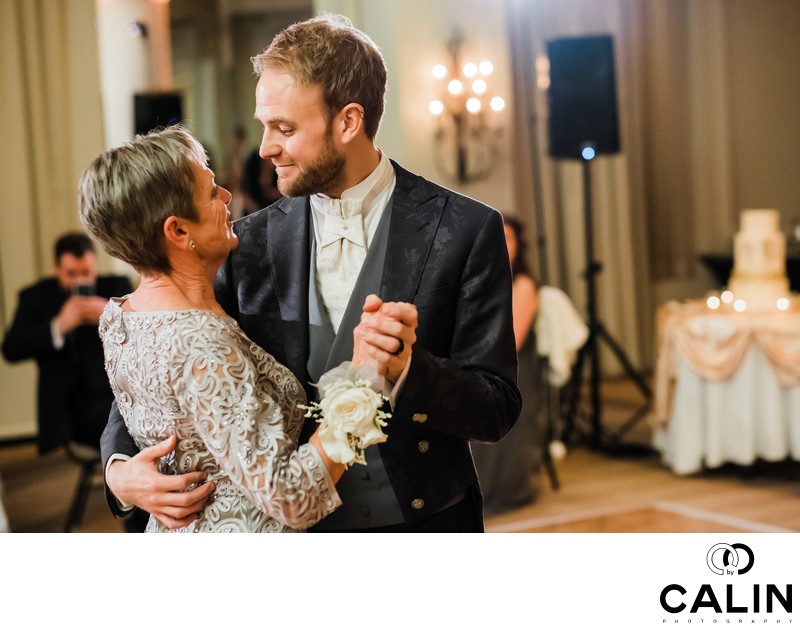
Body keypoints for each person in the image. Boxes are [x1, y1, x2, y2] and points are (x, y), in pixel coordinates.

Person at [101, 13, 521, 533]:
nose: (264, 148)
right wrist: (119, 473)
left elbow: (496, 407)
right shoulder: (242, 244)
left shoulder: (464, 229)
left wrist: (410, 370)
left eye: (284, 128)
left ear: (347, 122)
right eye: (264, 126)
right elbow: (163, 374)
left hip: (427, 524)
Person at [78, 125, 391, 533]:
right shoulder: (201, 345)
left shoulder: (120, 315)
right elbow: (291, 497)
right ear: (178, 231)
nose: (227, 196)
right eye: (211, 192)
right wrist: (362, 387)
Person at [1, 233, 132, 454]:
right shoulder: (35, 297)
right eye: (71, 274)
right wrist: (58, 326)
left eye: (87, 272)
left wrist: (111, 315)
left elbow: (146, 331)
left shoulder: (116, 286)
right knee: (126, 426)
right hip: (72, 407)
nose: (80, 281)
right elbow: (11, 349)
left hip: (120, 391)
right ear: (56, 268)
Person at [471, 216, 547, 516]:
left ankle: (503, 493)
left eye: (509, 238)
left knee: (501, 434)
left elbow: (511, 341)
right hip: (478, 364)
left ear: (519, 246)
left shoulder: (524, 285)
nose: (501, 244)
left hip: (511, 372)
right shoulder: (479, 280)